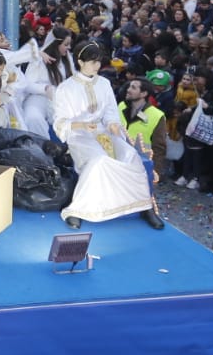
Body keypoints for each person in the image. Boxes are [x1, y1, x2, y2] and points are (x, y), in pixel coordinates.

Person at [53, 43, 164, 230]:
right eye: (92, 62)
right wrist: (81, 125)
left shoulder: (104, 84)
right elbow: (60, 121)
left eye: (98, 62)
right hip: (79, 135)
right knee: (99, 160)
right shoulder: (66, 88)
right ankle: (78, 210)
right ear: (80, 61)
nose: (97, 66)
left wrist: (113, 124)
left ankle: (144, 206)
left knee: (131, 155)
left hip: (103, 132)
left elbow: (111, 111)